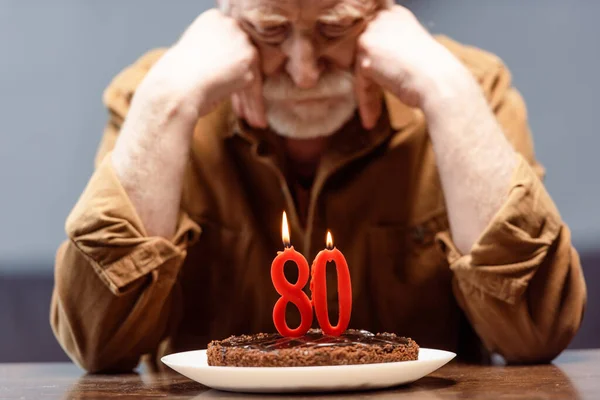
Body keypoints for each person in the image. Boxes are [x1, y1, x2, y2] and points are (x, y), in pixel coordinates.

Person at [51, 0, 586, 373]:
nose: (304, 71)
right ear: (226, 16)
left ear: (383, 14)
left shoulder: (468, 85)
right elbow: (99, 346)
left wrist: (446, 95)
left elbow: (534, 334)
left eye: (335, 28)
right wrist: (168, 102)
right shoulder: (158, 97)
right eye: (269, 30)